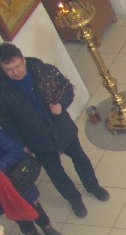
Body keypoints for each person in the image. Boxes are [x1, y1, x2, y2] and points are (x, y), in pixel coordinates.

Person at [0, 43, 109, 217]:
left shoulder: (44, 71)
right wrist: (21, 144)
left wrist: (61, 105)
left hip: (61, 128)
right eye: (9, 70)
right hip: (37, 140)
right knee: (56, 173)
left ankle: (93, 186)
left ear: (23, 59)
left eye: (17, 66)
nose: (15, 72)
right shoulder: (3, 92)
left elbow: (68, 89)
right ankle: (74, 200)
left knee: (80, 159)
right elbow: (7, 123)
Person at [0, 125, 65, 235]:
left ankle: (47, 227)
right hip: (3, 196)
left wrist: (1, 165)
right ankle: (32, 234)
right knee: (16, 214)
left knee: (34, 206)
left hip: (16, 182)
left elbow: (15, 150)